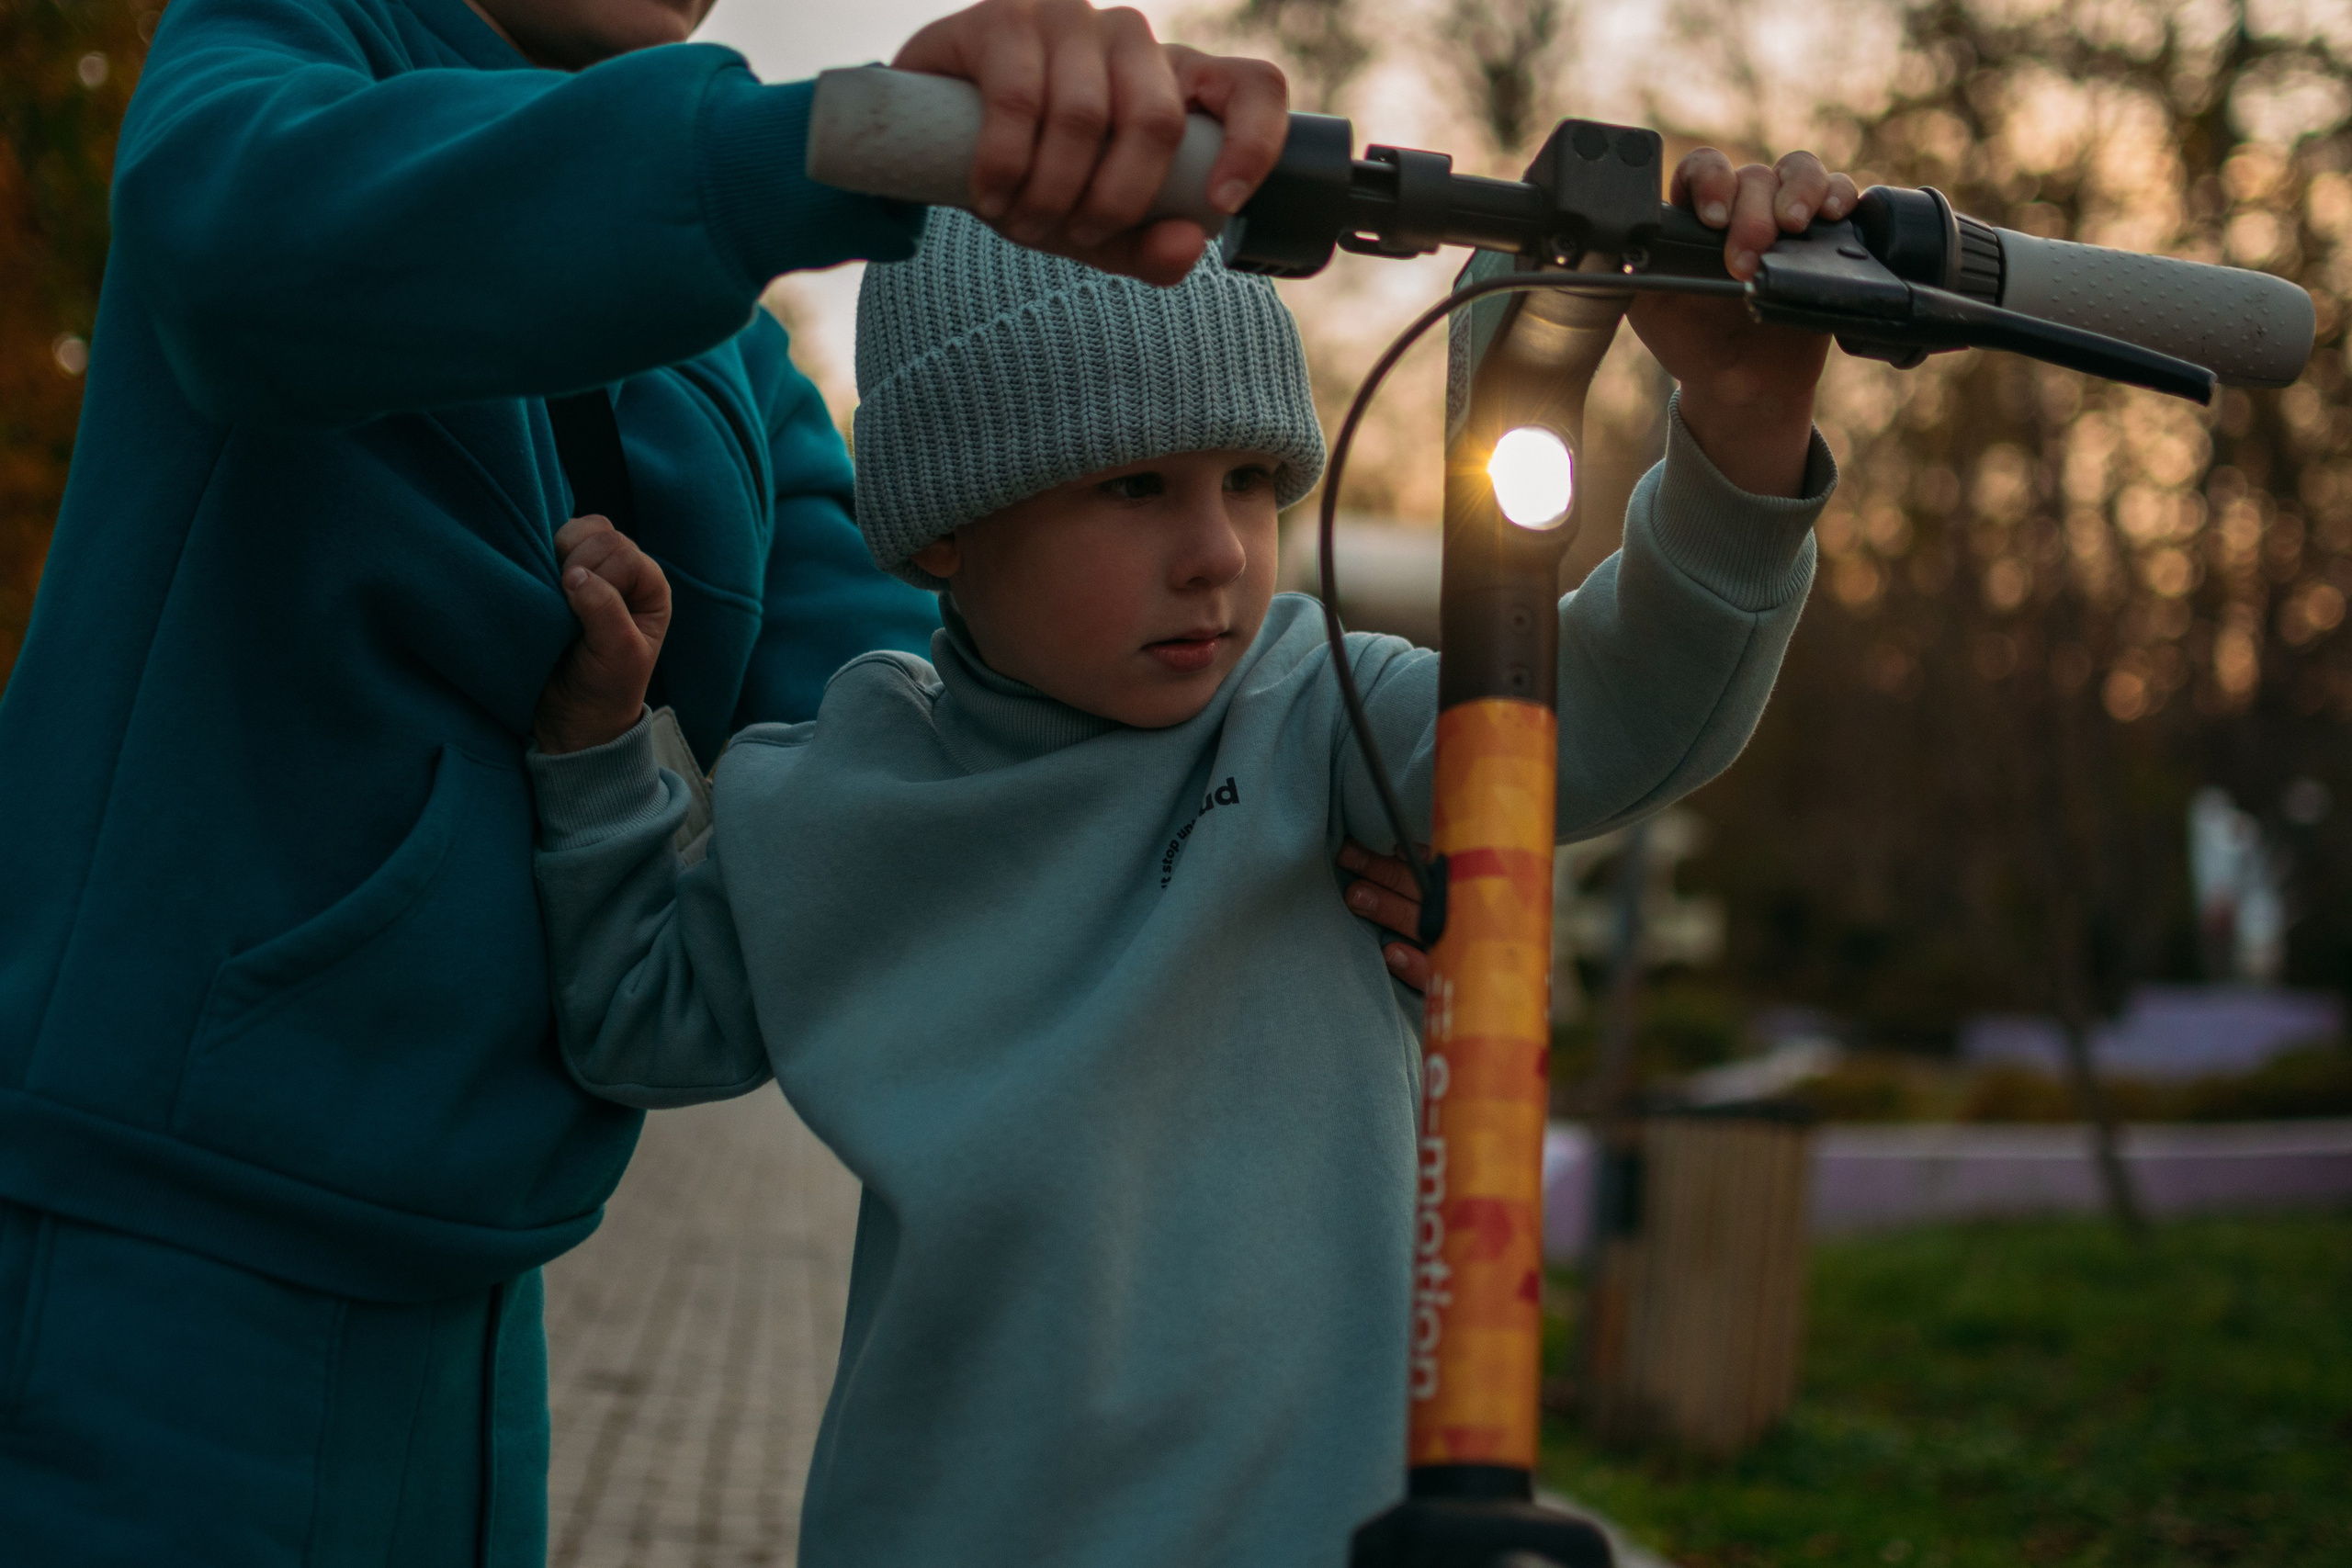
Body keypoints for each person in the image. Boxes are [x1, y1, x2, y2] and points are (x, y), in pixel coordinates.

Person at [0, 0, 1295, 1561]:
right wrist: (838, 137)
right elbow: (247, 251)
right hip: (146, 1273)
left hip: (485, 1301)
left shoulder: (727, 360)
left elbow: (946, 745)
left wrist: (1279, 844)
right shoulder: (286, 46)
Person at [522, 151, 1850, 1566]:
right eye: (1137, 485)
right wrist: (599, 743)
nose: (1217, 549)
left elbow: (1610, 719)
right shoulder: (835, 798)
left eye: (1250, 480)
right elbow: (640, 1023)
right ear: (950, 527)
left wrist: (1745, 423)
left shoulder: (1317, 715)